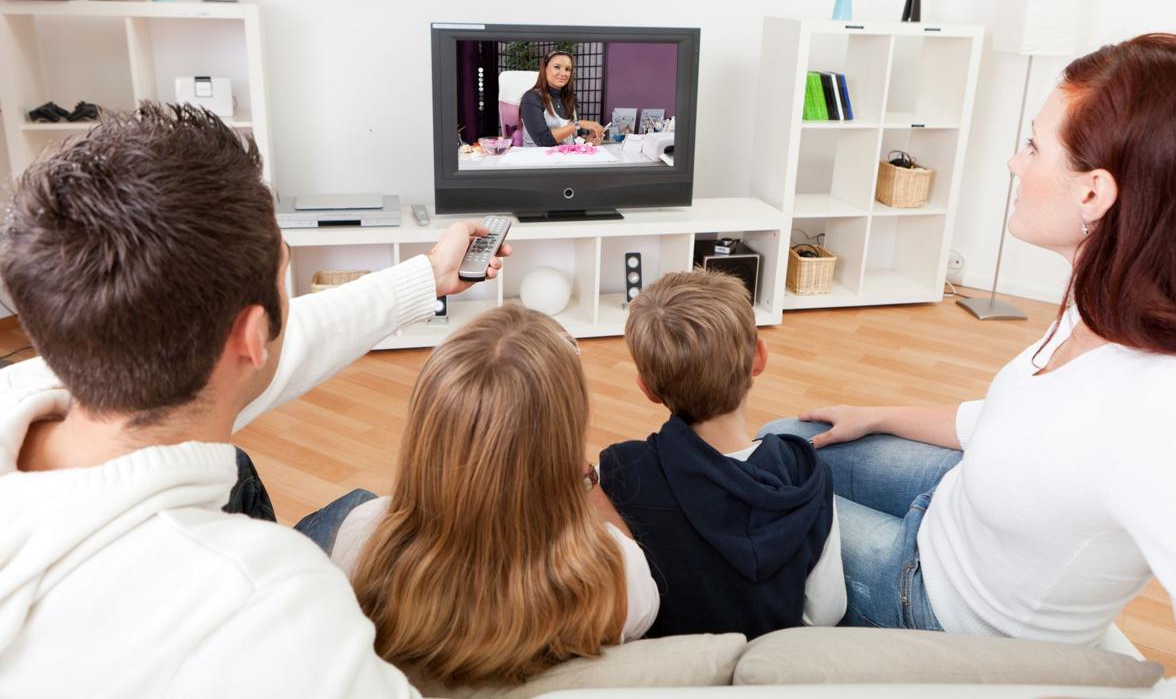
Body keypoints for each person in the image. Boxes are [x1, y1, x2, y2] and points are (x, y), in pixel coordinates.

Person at [0, 104, 509, 696]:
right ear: (247, 337)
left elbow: (288, 344)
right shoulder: (273, 608)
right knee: (369, 511)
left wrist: (427, 275)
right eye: (284, 274)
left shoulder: (45, 380)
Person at [760, 33, 1176, 674]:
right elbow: (1015, 421)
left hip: (940, 607)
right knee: (784, 440)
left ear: (1094, 193)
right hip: (951, 503)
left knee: (754, 498)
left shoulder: (1170, 407)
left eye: (1033, 146)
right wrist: (877, 413)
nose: (1014, 163)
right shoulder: (1104, 298)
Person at [318, 305, 658, 687]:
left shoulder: (361, 536)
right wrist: (584, 480)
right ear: (563, 435)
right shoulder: (617, 572)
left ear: (427, 430)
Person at [599, 270, 846, 639]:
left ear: (647, 388)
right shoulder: (805, 473)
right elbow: (827, 612)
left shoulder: (621, 471)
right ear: (759, 358)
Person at [519, 50, 605, 147]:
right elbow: (543, 140)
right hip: (538, 160)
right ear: (545, 68)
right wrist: (578, 124)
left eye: (567, 69)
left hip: (566, 159)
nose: (563, 73)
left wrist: (587, 141)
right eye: (557, 67)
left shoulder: (571, 98)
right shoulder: (531, 98)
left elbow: (576, 137)